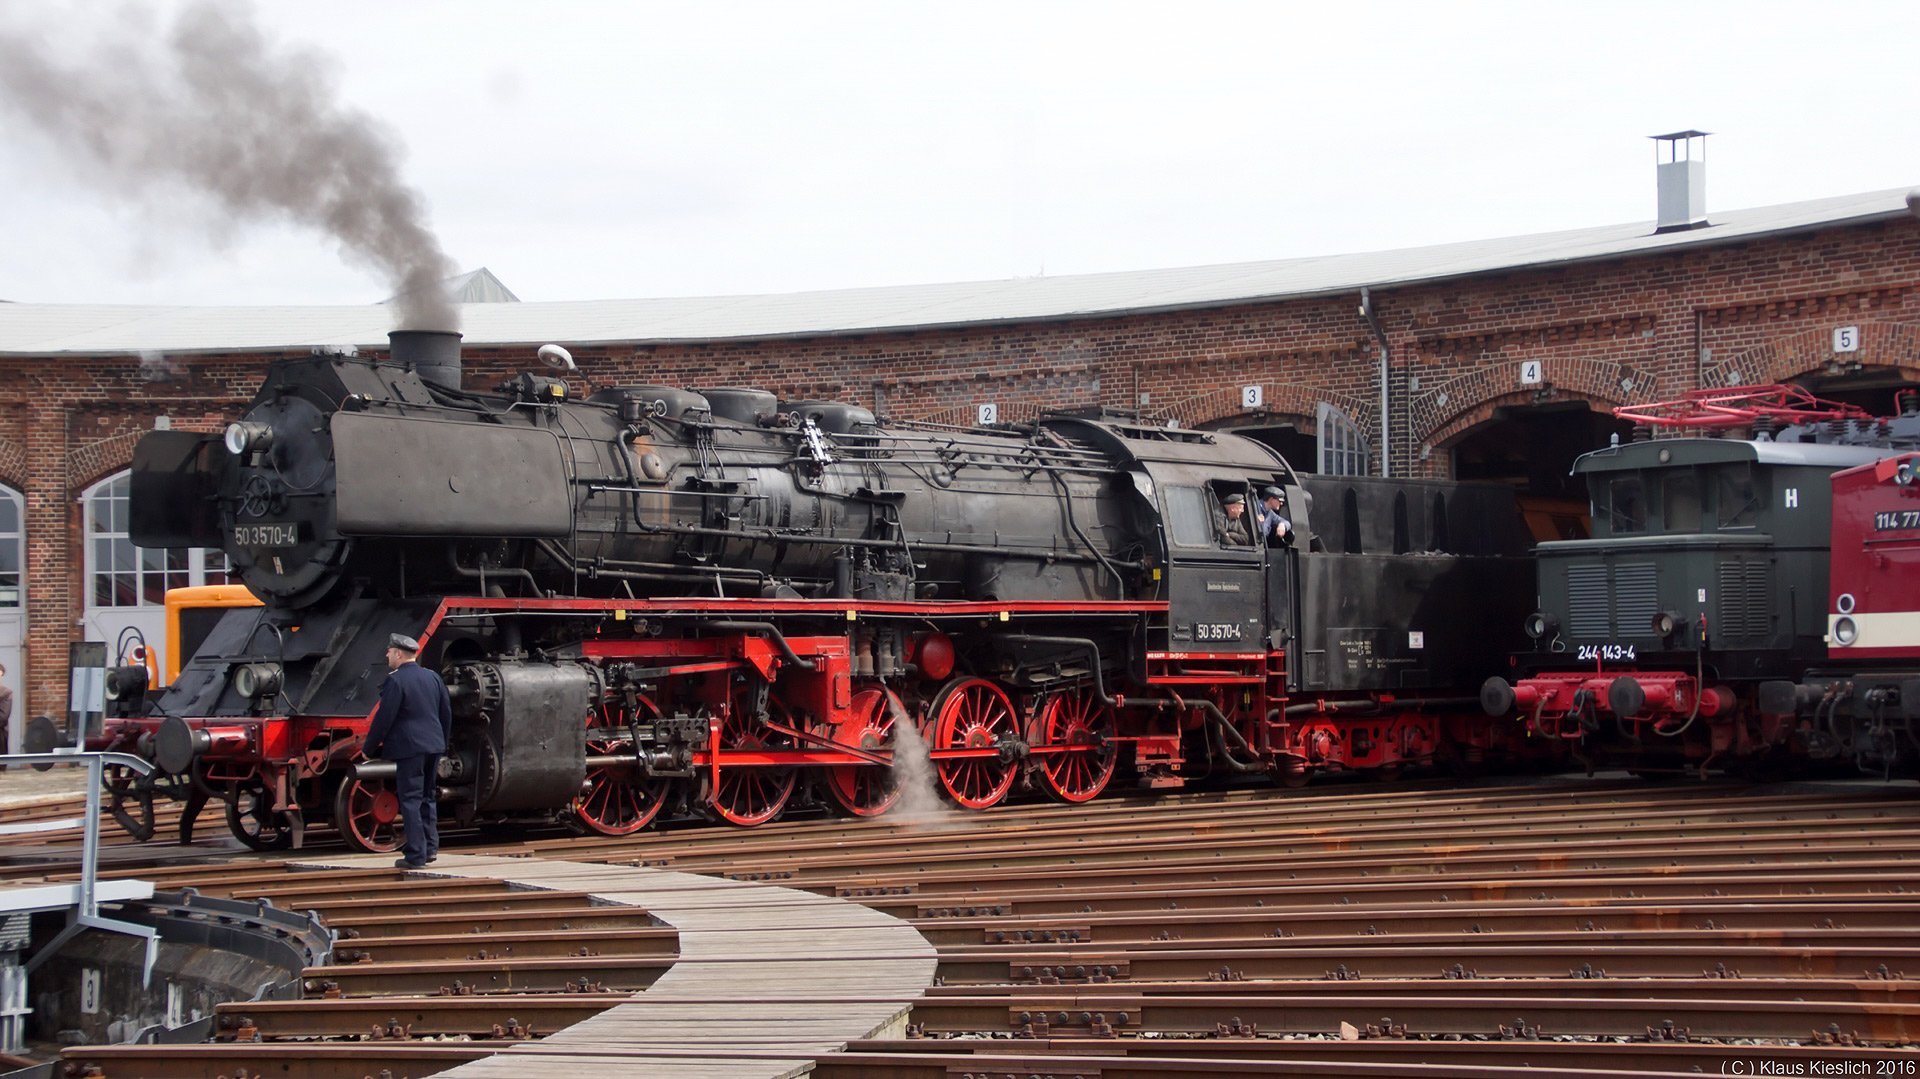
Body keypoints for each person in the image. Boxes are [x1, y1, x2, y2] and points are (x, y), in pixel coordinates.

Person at [365, 633, 451, 869]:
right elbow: (445, 713)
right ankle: (430, 848)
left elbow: (384, 718)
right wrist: (441, 742)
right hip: (433, 746)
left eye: (390, 651)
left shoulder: (396, 681)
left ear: (399, 654)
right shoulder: (433, 677)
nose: (387, 655)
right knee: (427, 797)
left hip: (410, 748)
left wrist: (369, 749)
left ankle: (415, 854)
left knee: (411, 800)